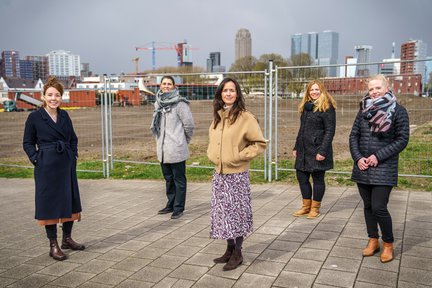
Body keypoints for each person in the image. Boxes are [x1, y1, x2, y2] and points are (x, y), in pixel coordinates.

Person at [207, 77, 267, 271]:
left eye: (232, 90)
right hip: (220, 174)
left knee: (237, 215)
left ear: (238, 93)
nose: (228, 93)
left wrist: (239, 156)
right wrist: (212, 155)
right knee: (224, 214)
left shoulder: (245, 117)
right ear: (220, 94)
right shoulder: (218, 116)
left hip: (237, 175)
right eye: (225, 90)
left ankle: (238, 253)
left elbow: (259, 143)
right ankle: (229, 248)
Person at [23, 77, 85, 261]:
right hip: (46, 165)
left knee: (70, 199)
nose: (53, 98)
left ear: (61, 97)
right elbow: (27, 142)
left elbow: (73, 138)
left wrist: (73, 155)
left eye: (57, 95)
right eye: (50, 95)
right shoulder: (34, 117)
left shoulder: (64, 115)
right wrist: (37, 159)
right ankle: (53, 245)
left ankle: (67, 239)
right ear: (43, 96)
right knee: (49, 202)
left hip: (66, 164)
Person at [349, 74, 409, 263]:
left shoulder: (398, 111)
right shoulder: (363, 110)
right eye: (371, 89)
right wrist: (358, 158)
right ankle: (373, 240)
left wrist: (377, 157)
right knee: (367, 207)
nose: (374, 92)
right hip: (363, 167)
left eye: (378, 88)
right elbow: (353, 136)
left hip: (384, 167)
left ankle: (388, 244)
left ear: (387, 88)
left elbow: (402, 139)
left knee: (379, 207)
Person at [151, 76, 195, 219]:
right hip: (163, 149)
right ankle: (170, 204)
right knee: (168, 179)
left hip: (176, 148)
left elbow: (189, 125)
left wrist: (183, 140)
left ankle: (178, 207)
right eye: (164, 83)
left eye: (169, 84)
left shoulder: (180, 104)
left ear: (174, 86)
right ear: (160, 85)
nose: (166, 86)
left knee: (179, 179)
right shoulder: (158, 103)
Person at [292, 80, 336, 219]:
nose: (314, 92)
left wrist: (323, 151)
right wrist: (296, 146)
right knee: (301, 177)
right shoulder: (307, 107)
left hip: (318, 149)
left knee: (317, 179)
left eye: (317, 89)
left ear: (322, 91)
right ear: (308, 92)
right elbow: (302, 129)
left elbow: (330, 131)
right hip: (303, 149)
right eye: (311, 90)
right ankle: (306, 206)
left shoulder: (327, 107)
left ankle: (315, 208)